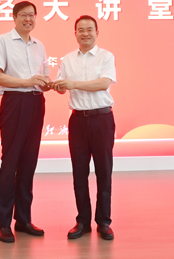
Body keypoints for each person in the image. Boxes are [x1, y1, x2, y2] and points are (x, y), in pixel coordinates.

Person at [0, 1, 51, 243]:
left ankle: (23, 220)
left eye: (32, 15)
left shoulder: (39, 45)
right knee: (10, 162)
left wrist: (49, 84)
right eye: (23, 15)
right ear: (14, 18)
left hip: (36, 103)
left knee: (29, 162)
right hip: (14, 103)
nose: (28, 19)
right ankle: (3, 223)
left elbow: (41, 77)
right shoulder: (2, 41)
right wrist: (27, 82)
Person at [53, 15, 117, 241]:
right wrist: (56, 85)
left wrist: (73, 84)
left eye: (90, 29)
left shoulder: (106, 56)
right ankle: (83, 221)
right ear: (75, 34)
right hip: (78, 121)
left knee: (103, 171)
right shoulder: (67, 59)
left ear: (97, 32)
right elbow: (62, 86)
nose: (85, 33)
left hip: (102, 119)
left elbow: (103, 83)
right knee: (79, 172)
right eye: (81, 29)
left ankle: (104, 222)